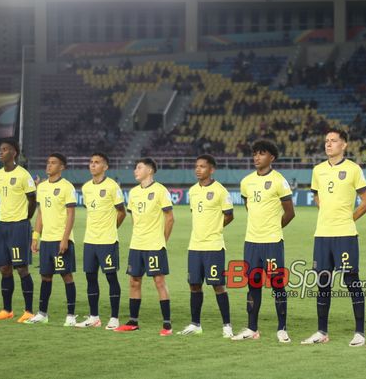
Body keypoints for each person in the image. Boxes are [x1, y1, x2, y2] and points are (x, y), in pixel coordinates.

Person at [301, 129, 366, 347]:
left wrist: (349, 219)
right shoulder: (318, 170)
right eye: (326, 141)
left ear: (344, 145)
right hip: (322, 235)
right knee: (323, 283)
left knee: (351, 281)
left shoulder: (353, 169)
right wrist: (326, 214)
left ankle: (359, 332)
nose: (328, 144)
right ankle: (322, 331)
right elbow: (316, 195)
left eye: (333, 141)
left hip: (345, 235)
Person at [232, 140, 295, 342]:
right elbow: (248, 206)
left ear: (271, 157)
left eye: (262, 153)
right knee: (253, 284)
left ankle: (282, 328)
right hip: (251, 242)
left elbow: (290, 212)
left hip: (272, 242)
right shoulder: (246, 182)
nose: (257, 157)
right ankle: (252, 329)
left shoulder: (279, 181)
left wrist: (274, 228)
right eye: (255, 153)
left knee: (277, 284)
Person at [115, 158, 175, 334]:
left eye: (139, 167)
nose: (135, 170)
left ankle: (167, 325)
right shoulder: (133, 193)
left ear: (150, 171)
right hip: (136, 244)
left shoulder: (160, 191)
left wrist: (162, 241)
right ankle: (133, 322)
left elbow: (170, 218)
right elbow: (134, 219)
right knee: (134, 281)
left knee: (159, 281)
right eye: (135, 167)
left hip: (155, 245)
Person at [178, 154, 234, 337]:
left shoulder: (220, 191)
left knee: (218, 285)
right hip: (194, 246)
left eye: (202, 166)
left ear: (211, 169)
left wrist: (215, 228)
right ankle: (195, 324)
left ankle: (227, 325)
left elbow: (229, 215)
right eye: (196, 166)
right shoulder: (193, 191)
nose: (198, 169)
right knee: (194, 285)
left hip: (214, 246)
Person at [0, 139, 37, 323]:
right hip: (3, 226)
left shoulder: (23, 175)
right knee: (4, 268)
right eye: (0, 149)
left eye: (5, 149)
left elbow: (32, 199)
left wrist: (25, 219)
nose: (1, 152)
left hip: (19, 226)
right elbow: (2, 198)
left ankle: (29, 311)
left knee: (21, 268)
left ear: (14, 153)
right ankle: (7, 310)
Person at [75, 152, 126, 330]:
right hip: (90, 240)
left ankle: (114, 318)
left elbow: (122, 211)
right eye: (91, 162)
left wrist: (112, 228)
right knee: (90, 277)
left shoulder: (113, 186)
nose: (93, 165)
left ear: (105, 167)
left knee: (111, 277)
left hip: (108, 241)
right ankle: (94, 317)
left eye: (97, 162)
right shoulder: (86, 187)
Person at [27, 153, 78, 326]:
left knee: (66, 276)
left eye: (53, 163)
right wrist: (35, 236)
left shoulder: (67, 187)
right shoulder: (41, 187)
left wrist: (65, 239)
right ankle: (42, 313)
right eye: (48, 162)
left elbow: (71, 215)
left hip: (61, 239)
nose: (49, 165)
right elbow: (40, 213)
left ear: (61, 167)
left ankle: (71, 316)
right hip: (46, 240)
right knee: (45, 276)